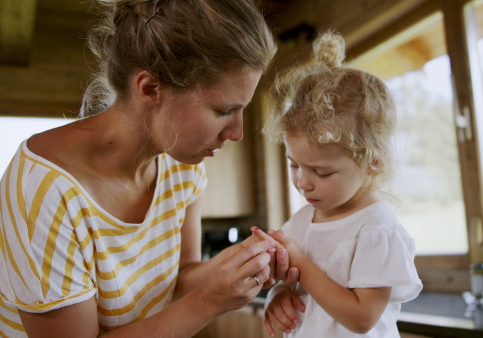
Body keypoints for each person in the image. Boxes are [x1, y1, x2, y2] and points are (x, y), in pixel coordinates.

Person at [0, 0, 295, 336]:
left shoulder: (181, 165)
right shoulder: (44, 189)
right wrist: (208, 302)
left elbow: (179, 276)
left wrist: (241, 263)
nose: (237, 133)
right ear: (150, 88)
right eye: (223, 110)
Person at [258, 30, 423, 337]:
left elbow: (362, 318)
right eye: (294, 165)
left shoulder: (376, 230)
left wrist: (301, 264)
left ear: (372, 161)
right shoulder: (302, 220)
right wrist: (278, 296)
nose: (302, 183)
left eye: (321, 173)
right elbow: (290, 283)